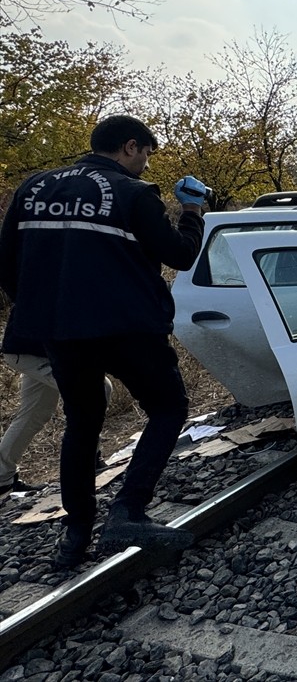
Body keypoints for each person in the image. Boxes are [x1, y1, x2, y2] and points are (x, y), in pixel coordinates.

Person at [0, 115, 207, 568]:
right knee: (169, 407)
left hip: (59, 331)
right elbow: (180, 255)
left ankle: (74, 538)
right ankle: (128, 509)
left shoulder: (34, 189)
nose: (145, 162)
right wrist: (192, 211)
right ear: (130, 146)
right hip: (127, 326)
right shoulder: (135, 194)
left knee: (82, 422)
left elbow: (7, 267)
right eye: (147, 153)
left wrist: (46, 313)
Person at [0, 332, 113, 496]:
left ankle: (2, 478)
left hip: (33, 348)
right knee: (97, 389)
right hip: (31, 349)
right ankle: (89, 459)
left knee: (34, 413)